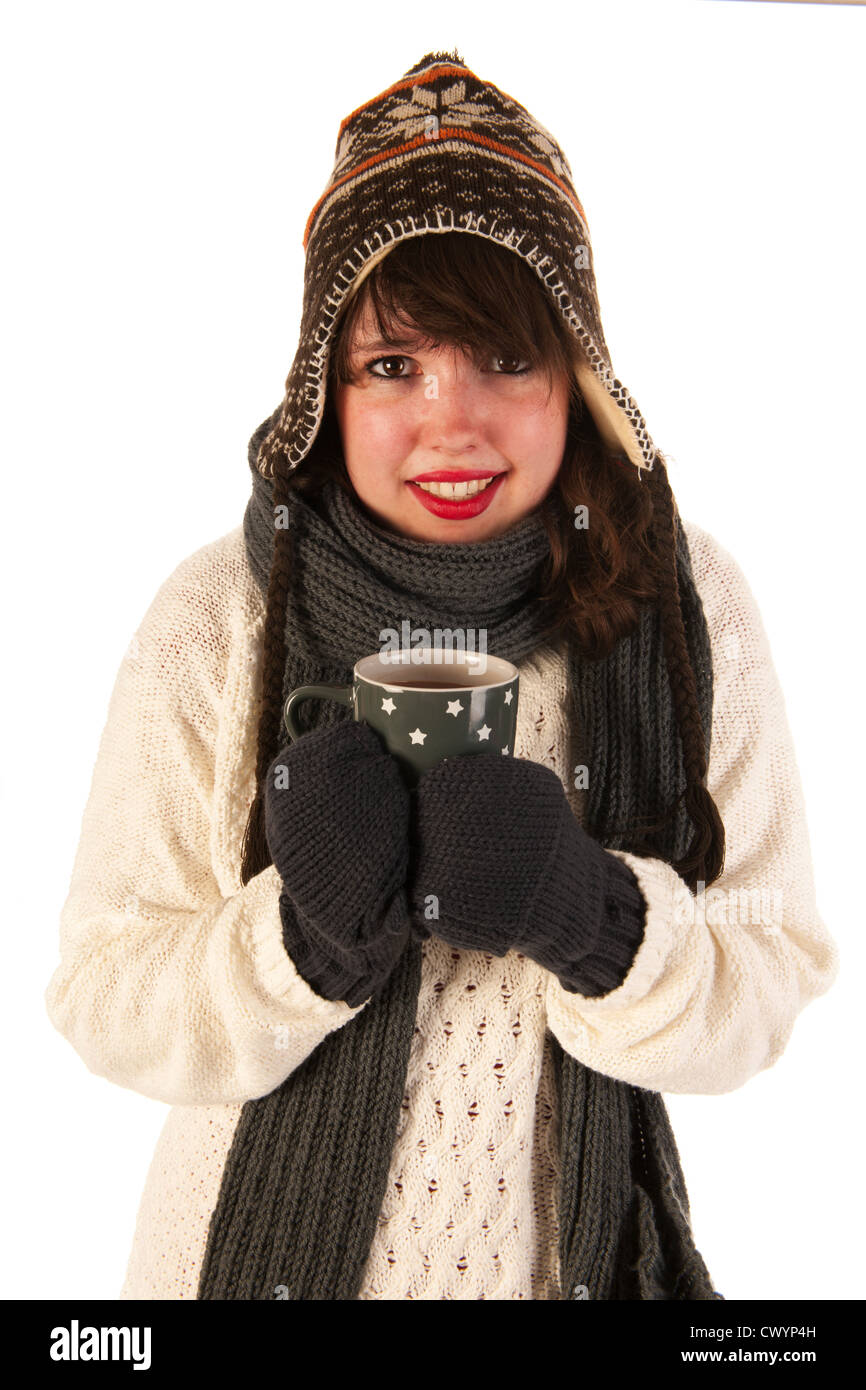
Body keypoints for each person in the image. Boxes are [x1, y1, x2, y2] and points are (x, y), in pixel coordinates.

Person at [44, 49, 839, 1301]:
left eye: (503, 359)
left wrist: (593, 916)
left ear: (574, 374)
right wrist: (295, 939)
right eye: (393, 365)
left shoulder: (680, 606)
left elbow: (773, 967)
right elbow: (97, 991)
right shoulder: (223, 613)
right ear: (326, 385)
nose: (451, 421)